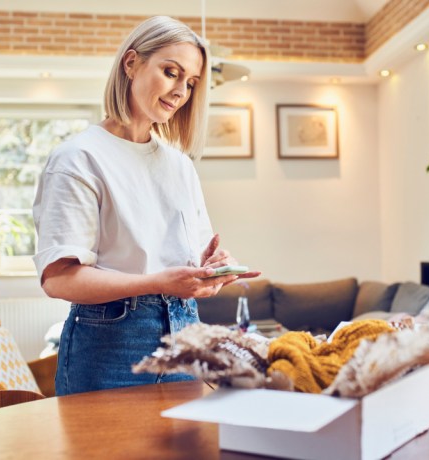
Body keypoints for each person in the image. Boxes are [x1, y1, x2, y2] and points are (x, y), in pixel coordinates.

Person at [32, 16, 259, 396]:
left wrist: (211, 269)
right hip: (111, 344)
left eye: (191, 83)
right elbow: (59, 279)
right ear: (131, 63)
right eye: (172, 72)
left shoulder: (179, 164)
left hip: (187, 333)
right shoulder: (78, 157)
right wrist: (157, 282)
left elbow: (189, 259)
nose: (181, 91)